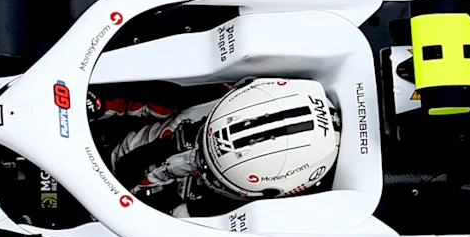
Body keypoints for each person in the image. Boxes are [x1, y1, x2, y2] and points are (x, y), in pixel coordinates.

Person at [96, 76, 343, 213]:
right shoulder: (209, 96)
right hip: (107, 145)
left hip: (121, 204)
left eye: (208, 167)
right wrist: (98, 105)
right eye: (200, 136)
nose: (193, 156)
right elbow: (145, 97)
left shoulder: (217, 211)